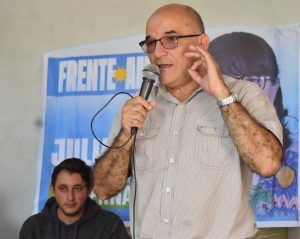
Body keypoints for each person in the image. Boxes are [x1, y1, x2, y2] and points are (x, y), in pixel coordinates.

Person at [93, 4, 283, 239]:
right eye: (151, 42)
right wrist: (125, 135)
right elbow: (102, 189)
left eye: (171, 39)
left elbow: (268, 164)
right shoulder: (138, 104)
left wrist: (222, 96)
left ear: (202, 44)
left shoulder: (244, 95)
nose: (158, 52)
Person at [209, 32, 297, 239]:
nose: (241, 89)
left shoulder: (293, 155)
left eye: (255, 79)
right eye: (228, 79)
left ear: (275, 88)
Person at [19, 158, 130, 239]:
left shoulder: (110, 225)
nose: (70, 197)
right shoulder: (33, 227)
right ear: (53, 189)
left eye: (78, 189)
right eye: (63, 189)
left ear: (89, 190)